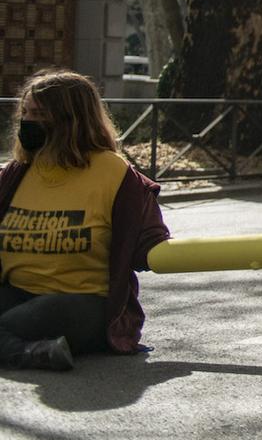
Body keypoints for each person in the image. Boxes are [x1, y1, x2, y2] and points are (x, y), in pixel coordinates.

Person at [0, 70, 171, 372]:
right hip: (16, 292)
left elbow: (149, 241)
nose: (27, 121)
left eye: (39, 114)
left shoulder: (116, 175)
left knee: (15, 323)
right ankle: (31, 352)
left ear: (71, 120)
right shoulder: (19, 171)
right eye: (25, 112)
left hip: (81, 302)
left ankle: (25, 350)